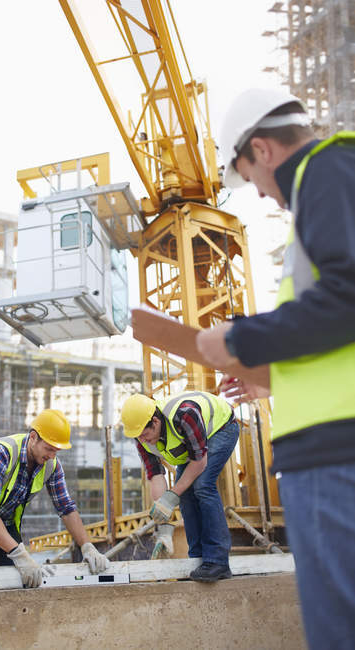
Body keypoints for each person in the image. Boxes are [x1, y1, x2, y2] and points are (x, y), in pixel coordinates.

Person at [195, 88, 355, 649]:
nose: (262, 195)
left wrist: (241, 335)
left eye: (251, 179)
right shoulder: (336, 179)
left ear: (261, 150)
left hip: (336, 454)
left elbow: (347, 296)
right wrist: (272, 376)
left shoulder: (327, 172)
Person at [0, 408, 109, 587]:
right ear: (33, 437)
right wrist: (20, 555)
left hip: (3, 519)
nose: (51, 456)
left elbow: (66, 509)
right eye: (49, 448)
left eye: (56, 451)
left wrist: (87, 546)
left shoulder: (51, 466)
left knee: (23, 580)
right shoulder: (1, 453)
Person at [121, 391, 239, 582]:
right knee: (184, 494)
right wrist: (164, 526)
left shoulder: (185, 414)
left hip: (221, 428)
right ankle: (197, 561)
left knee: (202, 485)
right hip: (193, 444)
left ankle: (218, 561)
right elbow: (156, 476)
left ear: (155, 422)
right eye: (138, 436)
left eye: (144, 434)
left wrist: (173, 494)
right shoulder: (140, 435)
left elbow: (199, 463)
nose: (142, 440)